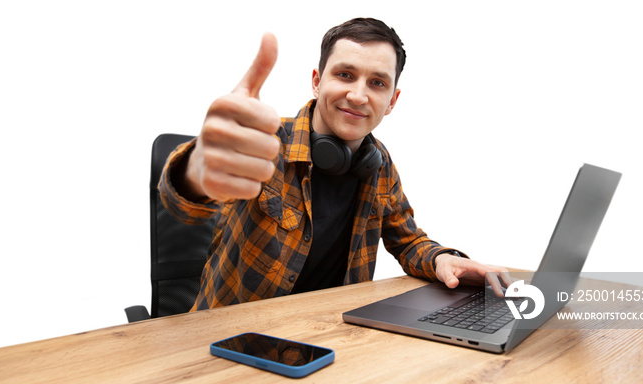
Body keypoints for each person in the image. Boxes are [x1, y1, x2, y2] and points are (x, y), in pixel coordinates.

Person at [159, 18, 511, 311]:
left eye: (377, 83)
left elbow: (407, 242)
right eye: (345, 74)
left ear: (391, 101)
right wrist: (196, 170)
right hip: (233, 338)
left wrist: (441, 260)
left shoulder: (379, 165)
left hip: (329, 340)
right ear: (317, 81)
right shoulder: (264, 142)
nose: (358, 95)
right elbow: (184, 207)